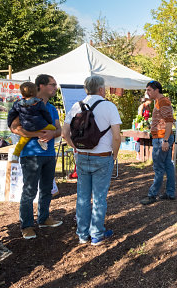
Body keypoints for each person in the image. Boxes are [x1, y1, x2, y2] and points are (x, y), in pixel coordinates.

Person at [62, 75, 122, 245]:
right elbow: (116, 137)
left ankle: (82, 234)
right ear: (101, 89)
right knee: (99, 198)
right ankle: (96, 234)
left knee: (82, 196)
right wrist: (114, 156)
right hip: (102, 157)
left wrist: (75, 147)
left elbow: (65, 133)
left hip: (81, 156)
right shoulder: (109, 106)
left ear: (86, 89)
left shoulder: (76, 106)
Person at [9, 74, 63, 240]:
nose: (55, 87)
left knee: (47, 189)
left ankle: (44, 218)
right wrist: (36, 134)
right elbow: (14, 127)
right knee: (30, 191)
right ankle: (26, 226)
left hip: (49, 153)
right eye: (52, 85)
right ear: (41, 86)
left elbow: (59, 130)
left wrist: (52, 133)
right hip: (31, 154)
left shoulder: (52, 108)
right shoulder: (25, 105)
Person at [140, 80, 175, 205]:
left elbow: (170, 122)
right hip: (161, 138)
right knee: (168, 165)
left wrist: (165, 140)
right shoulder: (158, 102)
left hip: (161, 139)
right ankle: (170, 193)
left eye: (149, 90)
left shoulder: (163, 102)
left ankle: (152, 195)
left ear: (156, 90)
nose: (147, 92)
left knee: (159, 168)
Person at [7, 82, 56, 159]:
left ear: (22, 94)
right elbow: (45, 113)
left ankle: (15, 154)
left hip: (27, 127)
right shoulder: (39, 102)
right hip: (40, 125)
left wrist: (9, 123)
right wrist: (49, 122)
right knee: (53, 129)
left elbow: (11, 114)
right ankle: (42, 140)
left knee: (23, 140)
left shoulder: (18, 103)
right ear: (35, 92)